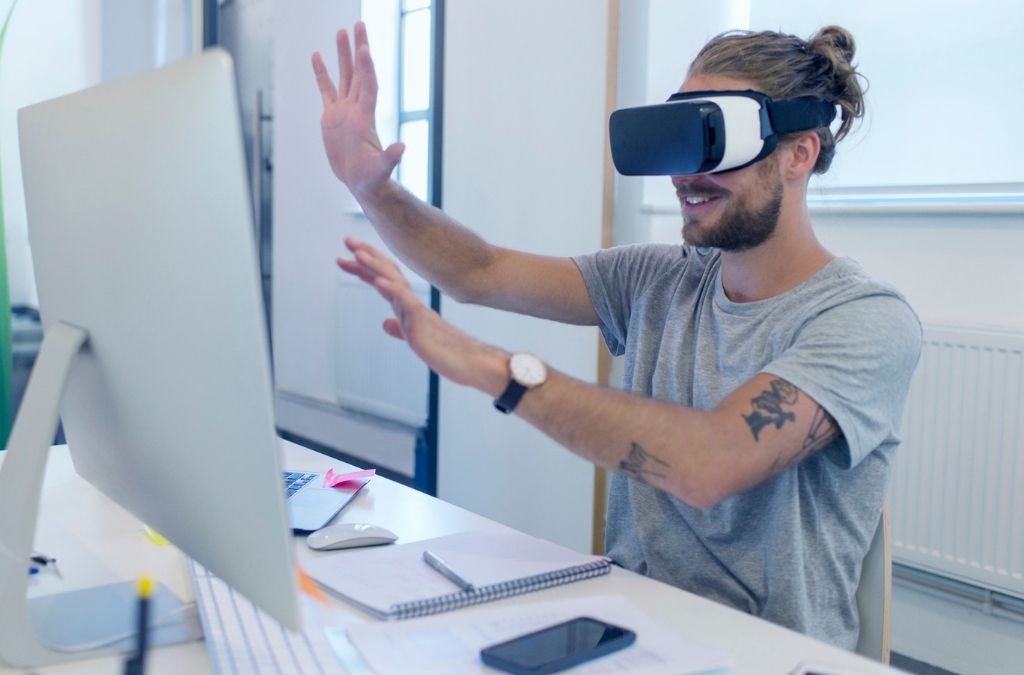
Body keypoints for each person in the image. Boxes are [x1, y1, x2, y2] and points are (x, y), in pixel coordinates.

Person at [311, 22, 921, 650]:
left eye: (712, 144)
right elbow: (478, 270)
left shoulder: (864, 320)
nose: (685, 177)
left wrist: (495, 368)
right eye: (676, 146)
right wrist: (372, 187)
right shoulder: (658, 279)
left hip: (763, 654)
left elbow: (710, 464)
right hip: (628, 628)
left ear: (800, 153)